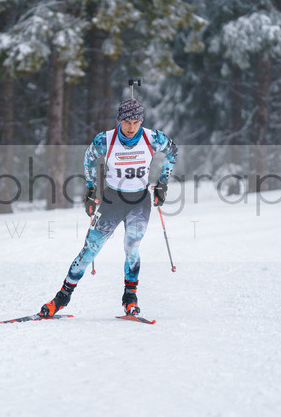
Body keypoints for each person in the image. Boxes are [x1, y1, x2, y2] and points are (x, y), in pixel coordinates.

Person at [39, 98, 178, 317]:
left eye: (136, 122)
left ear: (141, 121)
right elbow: (88, 158)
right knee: (90, 249)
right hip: (112, 200)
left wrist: (162, 183)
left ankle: (130, 298)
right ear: (119, 121)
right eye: (127, 122)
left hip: (139, 201)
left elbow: (172, 151)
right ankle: (61, 298)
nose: (131, 127)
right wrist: (91, 188)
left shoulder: (152, 138)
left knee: (132, 245)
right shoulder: (105, 140)